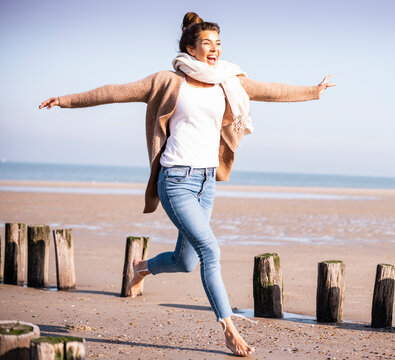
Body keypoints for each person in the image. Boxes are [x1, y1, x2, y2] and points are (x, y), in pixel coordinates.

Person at [40, 11, 336, 357]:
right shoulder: (167, 81)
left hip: (207, 181)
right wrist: (66, 100)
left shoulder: (228, 79)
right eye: (207, 44)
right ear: (190, 49)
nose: (214, 50)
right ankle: (229, 330)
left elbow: (270, 90)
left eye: (218, 44)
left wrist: (314, 91)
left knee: (186, 261)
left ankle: (141, 267)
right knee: (211, 251)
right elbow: (115, 92)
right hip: (176, 180)